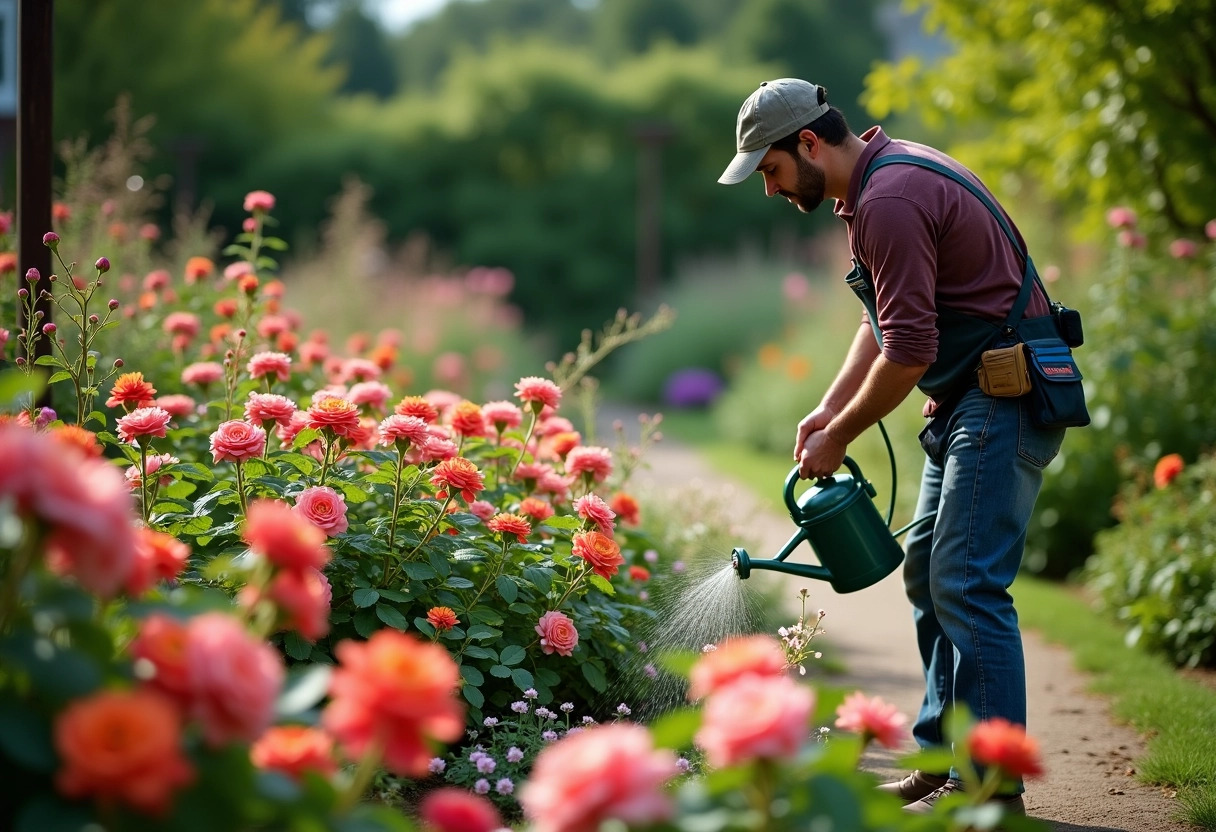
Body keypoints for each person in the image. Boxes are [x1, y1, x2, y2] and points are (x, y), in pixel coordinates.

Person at [718, 78, 1068, 815]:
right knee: (928, 577)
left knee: (968, 583)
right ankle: (948, 758)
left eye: (773, 170)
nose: (771, 189)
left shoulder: (890, 199)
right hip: (969, 399)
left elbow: (908, 351)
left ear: (808, 142)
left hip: (1003, 397)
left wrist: (838, 437)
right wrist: (828, 407)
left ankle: (994, 786)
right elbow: (880, 317)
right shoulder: (873, 187)